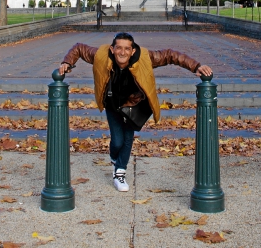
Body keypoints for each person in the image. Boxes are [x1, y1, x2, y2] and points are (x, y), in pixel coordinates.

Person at [58, 32, 212, 192]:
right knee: (117, 141)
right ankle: (114, 158)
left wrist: (196, 66)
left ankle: (120, 172)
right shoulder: (101, 56)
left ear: (132, 51)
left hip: (133, 104)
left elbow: (170, 55)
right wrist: (66, 63)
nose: (122, 52)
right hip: (112, 104)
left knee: (127, 138)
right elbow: (79, 49)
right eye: (119, 48)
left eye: (126, 49)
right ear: (112, 49)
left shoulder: (144, 57)